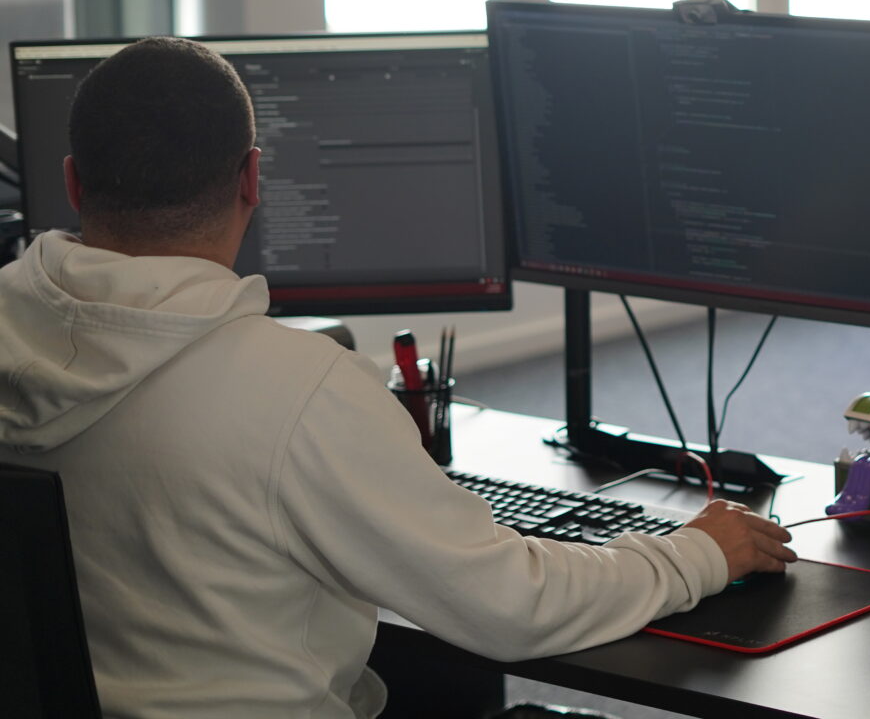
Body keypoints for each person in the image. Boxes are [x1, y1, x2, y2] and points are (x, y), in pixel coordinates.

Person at [0, 36, 795, 718]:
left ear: (72, 183)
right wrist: (696, 554)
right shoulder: (298, 390)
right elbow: (511, 607)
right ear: (251, 179)